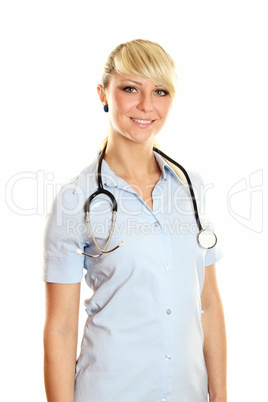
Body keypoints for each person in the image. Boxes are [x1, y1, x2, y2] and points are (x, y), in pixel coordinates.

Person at [43, 39, 227, 402]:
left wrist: (220, 397)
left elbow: (209, 302)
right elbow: (61, 329)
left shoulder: (191, 188)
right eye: (130, 88)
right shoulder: (74, 200)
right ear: (103, 94)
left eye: (160, 91)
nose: (146, 105)